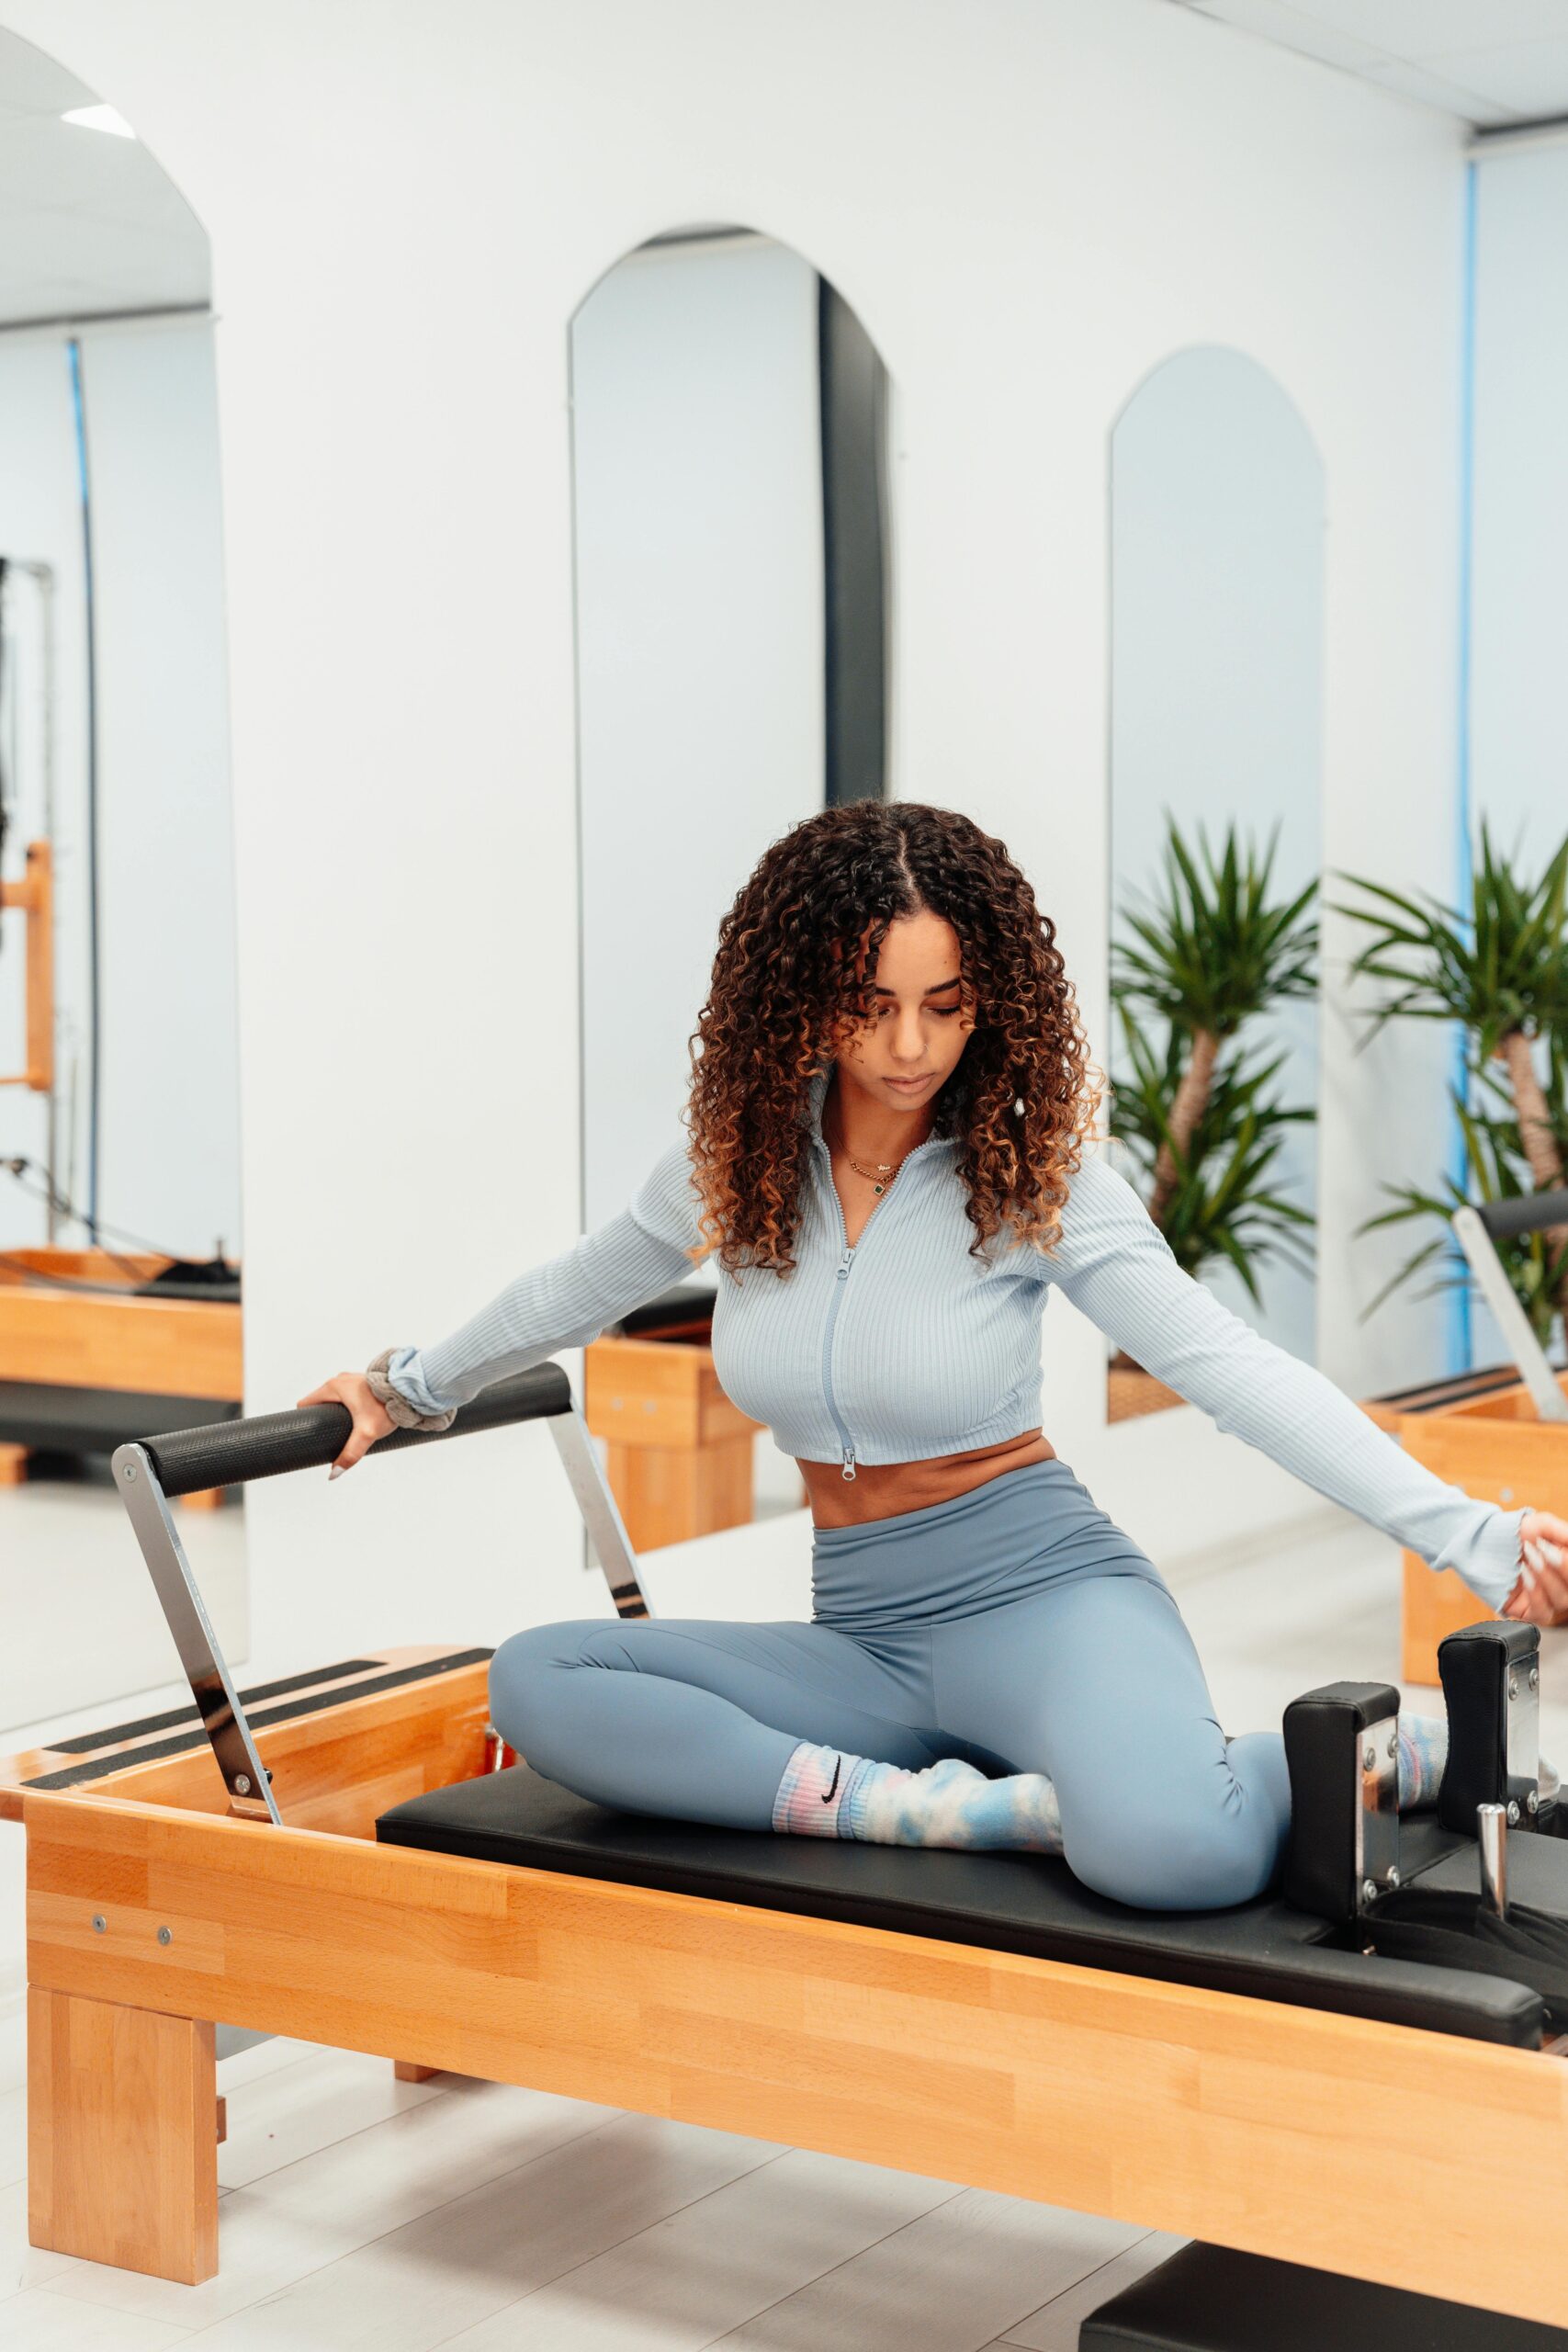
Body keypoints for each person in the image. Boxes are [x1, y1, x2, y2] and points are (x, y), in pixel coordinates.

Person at [299, 802, 1568, 1912]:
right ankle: (923, 1807)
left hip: (1046, 1598)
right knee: (540, 1680)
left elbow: (1234, 1371)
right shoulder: (733, 1162)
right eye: (873, 1004)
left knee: (1176, 1855)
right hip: (863, 1632)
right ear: (804, 996)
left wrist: (1476, 1536)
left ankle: (1363, 1753)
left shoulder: (1032, 1175)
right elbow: (578, 1286)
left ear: (989, 1002)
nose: (911, 1047)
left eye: (945, 1007)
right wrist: (403, 1389)